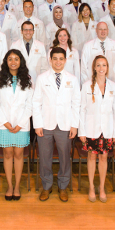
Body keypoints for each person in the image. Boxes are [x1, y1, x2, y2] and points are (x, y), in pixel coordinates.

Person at [33, 47, 81, 202]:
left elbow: (76, 103)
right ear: (50, 60)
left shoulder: (72, 79)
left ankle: (63, 186)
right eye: (55, 59)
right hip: (45, 125)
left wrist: (74, 125)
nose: (58, 62)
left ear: (66, 60)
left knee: (65, 158)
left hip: (65, 125)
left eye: (61, 59)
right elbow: (36, 102)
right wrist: (37, 124)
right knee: (45, 157)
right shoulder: (41, 78)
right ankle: (46, 186)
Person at [0, 50, 33, 201]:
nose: (13, 62)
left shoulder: (27, 79)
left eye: (16, 59)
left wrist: (20, 124)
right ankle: (10, 186)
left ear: (21, 61)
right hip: (4, 123)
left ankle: (17, 187)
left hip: (21, 124)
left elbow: (30, 105)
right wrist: (6, 123)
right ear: (6, 61)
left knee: (19, 154)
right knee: (8, 154)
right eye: (10, 59)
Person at [79, 55, 115, 203]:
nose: (101, 68)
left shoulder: (113, 86)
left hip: (107, 128)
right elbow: (81, 109)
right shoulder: (86, 85)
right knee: (92, 156)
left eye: (104, 65)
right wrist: (81, 131)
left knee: (103, 157)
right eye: (99, 65)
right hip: (91, 127)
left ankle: (101, 188)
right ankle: (91, 187)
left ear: (107, 68)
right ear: (94, 68)